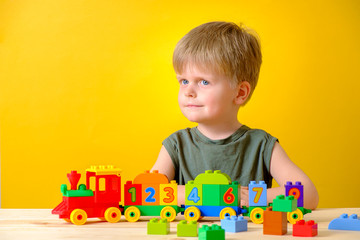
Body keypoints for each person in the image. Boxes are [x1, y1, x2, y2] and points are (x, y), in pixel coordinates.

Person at [151, 21, 319, 209]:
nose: (188, 91)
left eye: (204, 82)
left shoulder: (261, 145)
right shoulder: (176, 145)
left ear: (240, 93)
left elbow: (308, 194)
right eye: (183, 81)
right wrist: (224, 194)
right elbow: (150, 193)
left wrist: (246, 197)